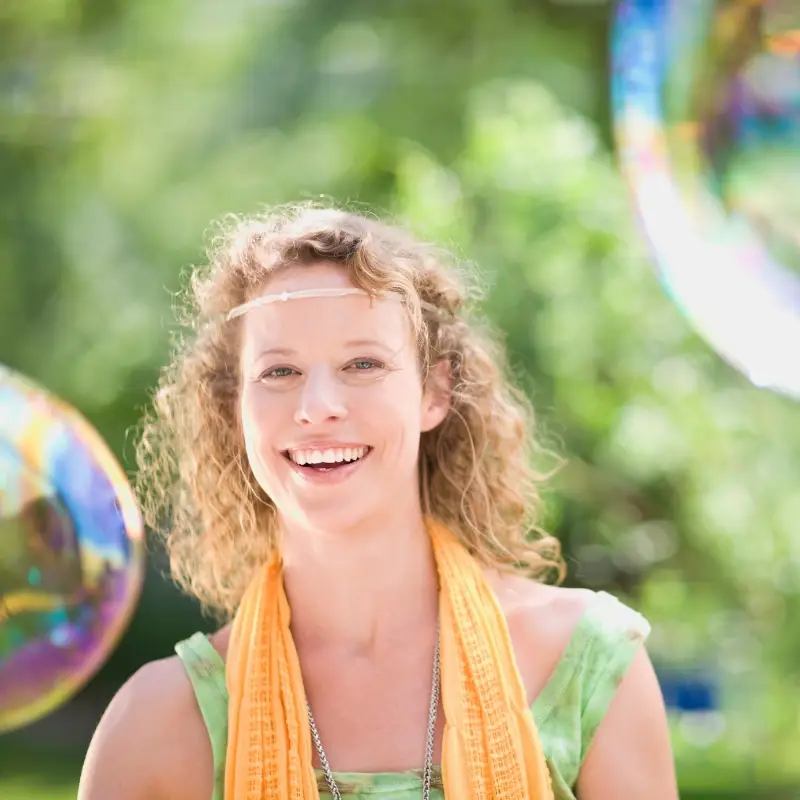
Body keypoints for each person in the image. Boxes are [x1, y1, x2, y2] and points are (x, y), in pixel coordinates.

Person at [77, 205, 679, 800]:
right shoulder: (155, 725)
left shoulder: (588, 664)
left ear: (434, 392)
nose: (317, 406)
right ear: (234, 407)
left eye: (362, 363)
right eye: (279, 371)